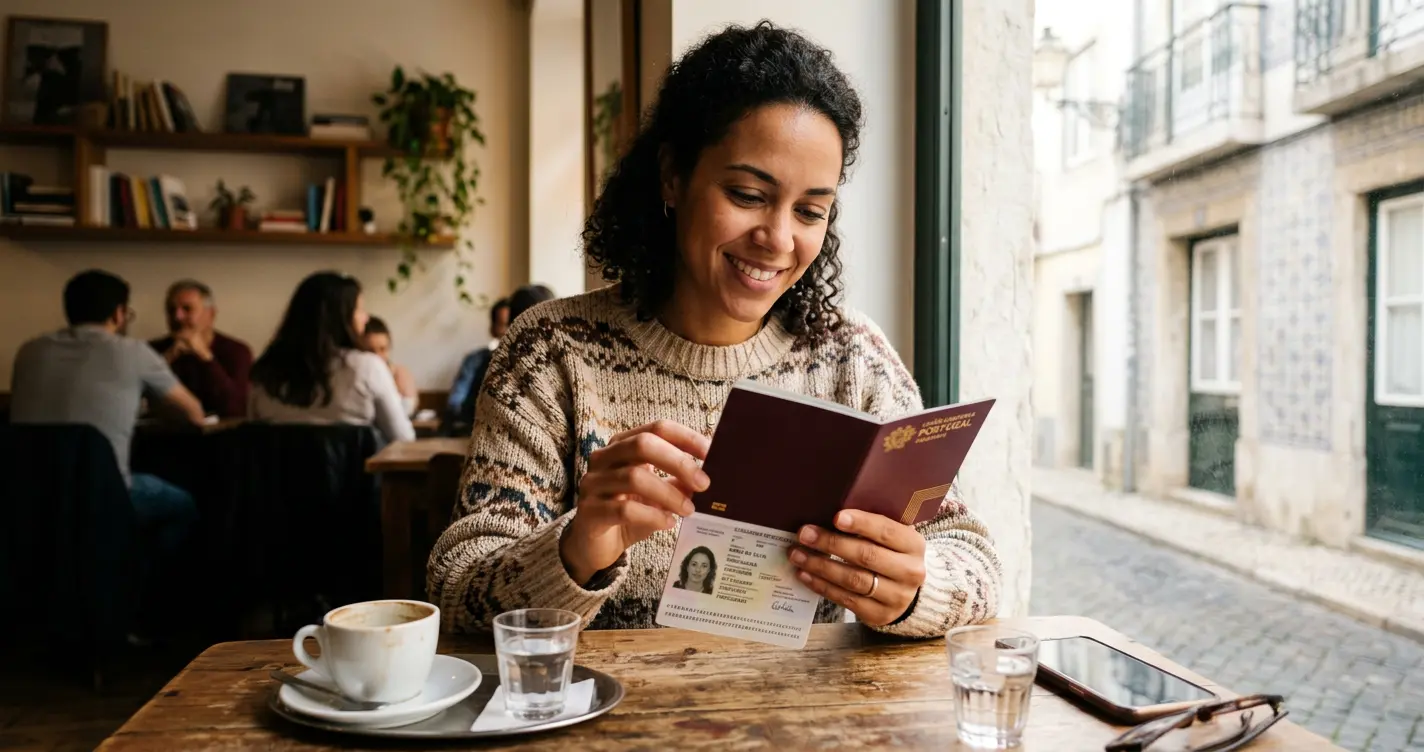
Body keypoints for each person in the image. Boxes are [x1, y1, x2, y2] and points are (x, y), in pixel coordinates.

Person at [429, 22, 1000, 636]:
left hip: (807, 724)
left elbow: (978, 565)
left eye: (810, 210)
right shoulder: (551, 353)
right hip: (616, 723)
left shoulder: (853, 360)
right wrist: (579, 545)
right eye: (748, 194)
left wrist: (917, 589)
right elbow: (455, 590)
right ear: (673, 176)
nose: (779, 239)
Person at [10, 270, 205, 580]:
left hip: (26, 491)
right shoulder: (135, 352)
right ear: (119, 313)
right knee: (184, 507)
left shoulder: (29, 351)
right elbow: (194, 414)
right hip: (104, 490)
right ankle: (134, 587)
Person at [248, 272, 415, 443]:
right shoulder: (367, 368)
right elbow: (402, 438)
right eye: (360, 309)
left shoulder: (264, 371)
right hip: (353, 470)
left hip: (278, 470)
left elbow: (252, 438)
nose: (366, 318)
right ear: (341, 317)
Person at [443, 287, 555, 434]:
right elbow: (456, 405)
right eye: (504, 325)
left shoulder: (555, 369)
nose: (506, 332)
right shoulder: (487, 365)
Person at [149, 279, 253, 419]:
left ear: (211, 314)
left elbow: (235, 408)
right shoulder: (152, 350)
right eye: (171, 310)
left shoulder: (237, 351)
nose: (177, 317)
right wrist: (165, 361)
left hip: (221, 435)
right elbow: (138, 401)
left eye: (187, 309)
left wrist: (206, 357)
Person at [445, 298, 510, 429]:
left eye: (512, 324)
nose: (508, 330)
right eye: (502, 324)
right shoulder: (475, 361)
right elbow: (455, 402)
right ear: (492, 328)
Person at [363, 316, 418, 417]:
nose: (378, 357)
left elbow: (407, 409)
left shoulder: (400, 374)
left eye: (383, 349)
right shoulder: (356, 378)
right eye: (371, 351)